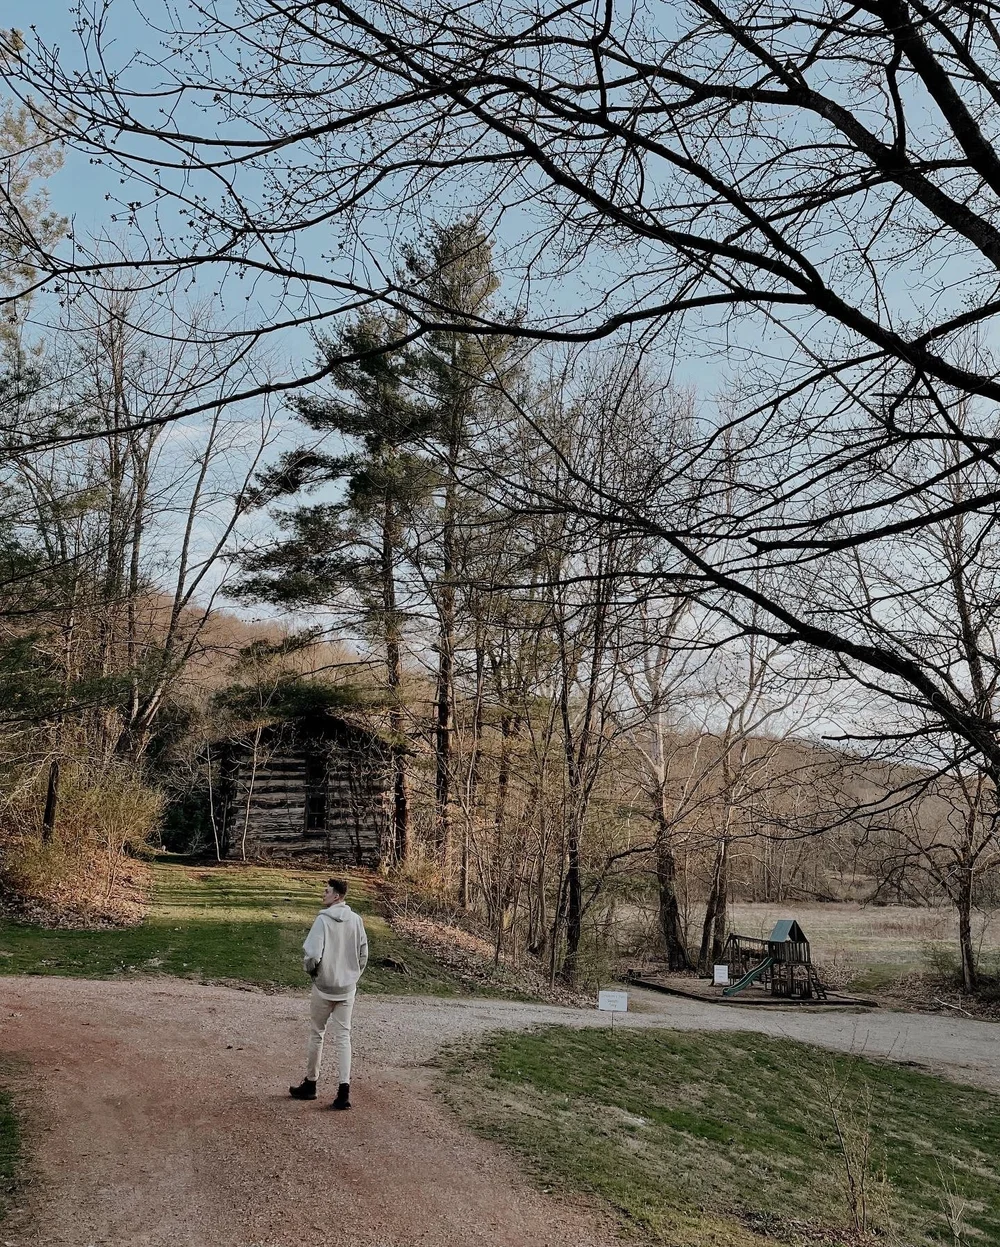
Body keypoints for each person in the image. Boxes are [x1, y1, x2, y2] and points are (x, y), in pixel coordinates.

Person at [289, 877, 368, 1110]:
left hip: (324, 988)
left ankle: (311, 1084)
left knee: (317, 1034)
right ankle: (344, 1091)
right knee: (344, 1037)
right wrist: (353, 976)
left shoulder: (322, 921)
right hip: (347, 989)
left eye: (327, 891)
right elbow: (363, 954)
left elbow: (312, 955)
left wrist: (313, 973)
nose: (323, 894)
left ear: (337, 896)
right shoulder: (357, 921)